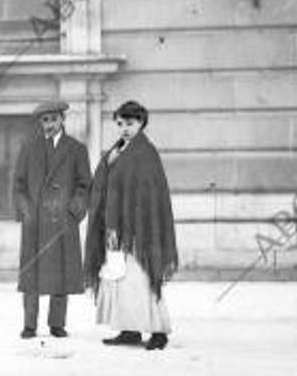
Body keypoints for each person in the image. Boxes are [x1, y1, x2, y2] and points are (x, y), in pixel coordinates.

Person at [84, 100, 178, 351]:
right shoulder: (118, 150)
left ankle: (159, 332)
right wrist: (107, 163)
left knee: (143, 278)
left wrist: (136, 224)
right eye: (120, 124)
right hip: (116, 227)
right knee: (119, 279)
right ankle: (129, 329)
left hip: (139, 229)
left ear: (141, 123)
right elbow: (103, 184)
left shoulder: (145, 153)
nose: (125, 128)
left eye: (131, 123)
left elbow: (149, 192)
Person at [12, 99, 92, 339]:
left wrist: (74, 211)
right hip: (35, 222)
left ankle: (57, 324)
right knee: (32, 273)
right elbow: (18, 185)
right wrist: (26, 212)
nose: (49, 124)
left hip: (62, 221)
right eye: (44, 120)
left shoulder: (77, 149)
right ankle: (29, 325)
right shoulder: (28, 148)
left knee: (61, 271)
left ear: (62, 120)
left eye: (53, 119)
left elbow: (84, 185)